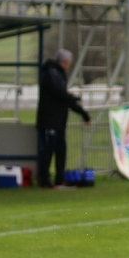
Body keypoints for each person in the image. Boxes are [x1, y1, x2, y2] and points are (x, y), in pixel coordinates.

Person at [36, 48, 90, 188]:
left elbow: (65, 98)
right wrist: (75, 100)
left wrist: (83, 113)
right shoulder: (51, 73)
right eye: (69, 63)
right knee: (47, 151)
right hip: (49, 121)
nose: (69, 66)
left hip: (59, 121)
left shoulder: (58, 74)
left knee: (61, 151)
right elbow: (60, 94)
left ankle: (60, 180)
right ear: (64, 62)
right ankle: (44, 180)